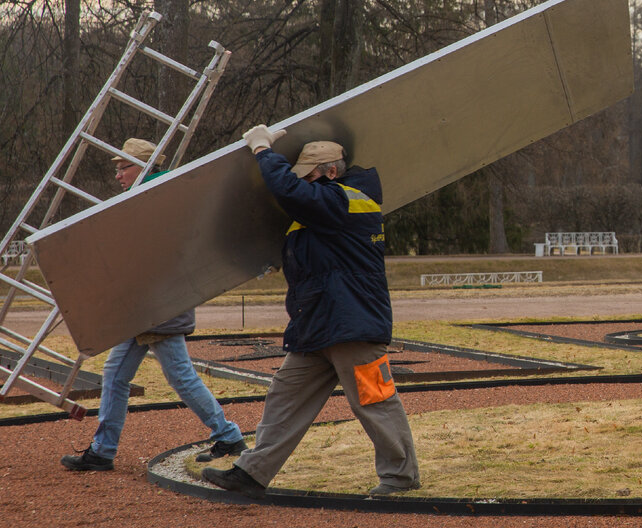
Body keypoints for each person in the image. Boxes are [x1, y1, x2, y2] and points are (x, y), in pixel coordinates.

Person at [203, 128, 419, 498]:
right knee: (285, 395)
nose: (305, 183)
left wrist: (262, 149)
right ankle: (252, 473)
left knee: (375, 401)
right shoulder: (326, 208)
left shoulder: (347, 200)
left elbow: (290, 191)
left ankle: (401, 477)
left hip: (353, 325)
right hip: (319, 324)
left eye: (310, 175)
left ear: (331, 172)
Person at [62, 138, 245, 472]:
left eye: (124, 167)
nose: (118, 175)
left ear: (143, 167)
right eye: (117, 168)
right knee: (118, 376)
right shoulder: (146, 198)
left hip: (158, 308)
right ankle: (103, 451)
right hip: (145, 308)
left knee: (179, 378)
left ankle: (228, 434)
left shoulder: (156, 199)